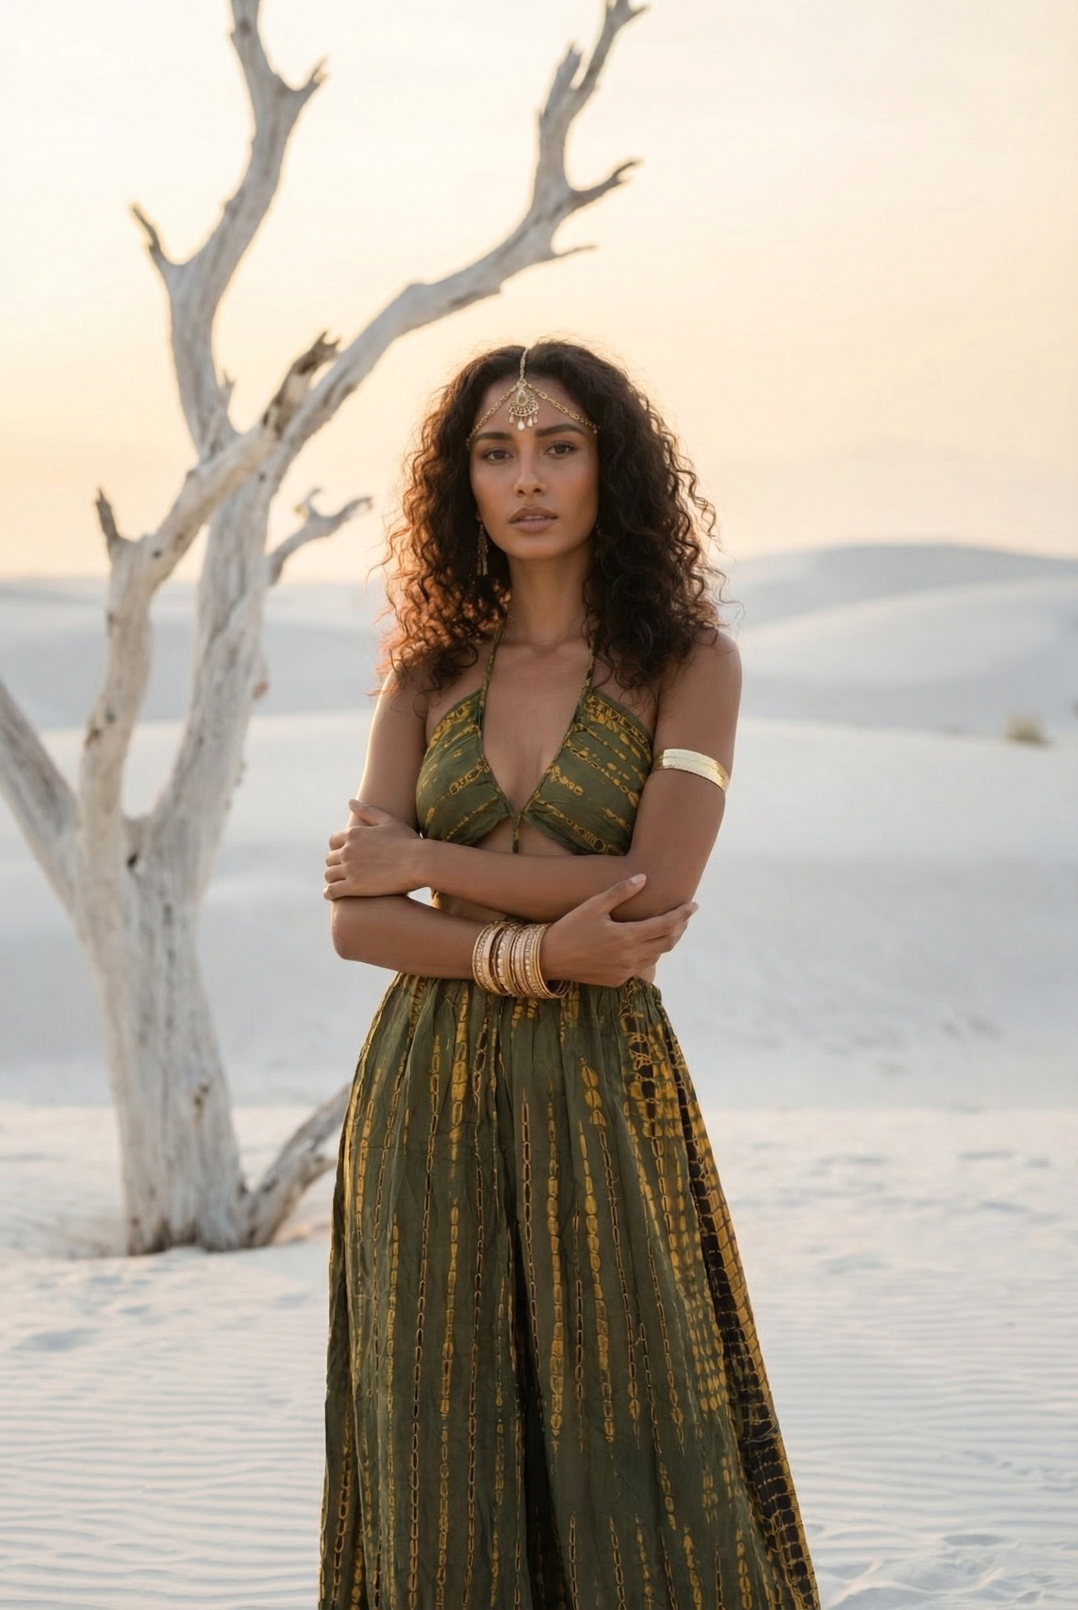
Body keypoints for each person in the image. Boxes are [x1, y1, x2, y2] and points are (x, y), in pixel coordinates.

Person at [318, 341, 818, 1609]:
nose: (527, 477)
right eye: (496, 451)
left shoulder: (688, 664)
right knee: (437, 1423)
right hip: (423, 1093)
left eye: (558, 446)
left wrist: (426, 858)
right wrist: (540, 951)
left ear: (613, 467)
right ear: (462, 483)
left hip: (603, 1084)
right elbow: (355, 925)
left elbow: (652, 891)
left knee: (632, 1414)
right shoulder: (424, 676)